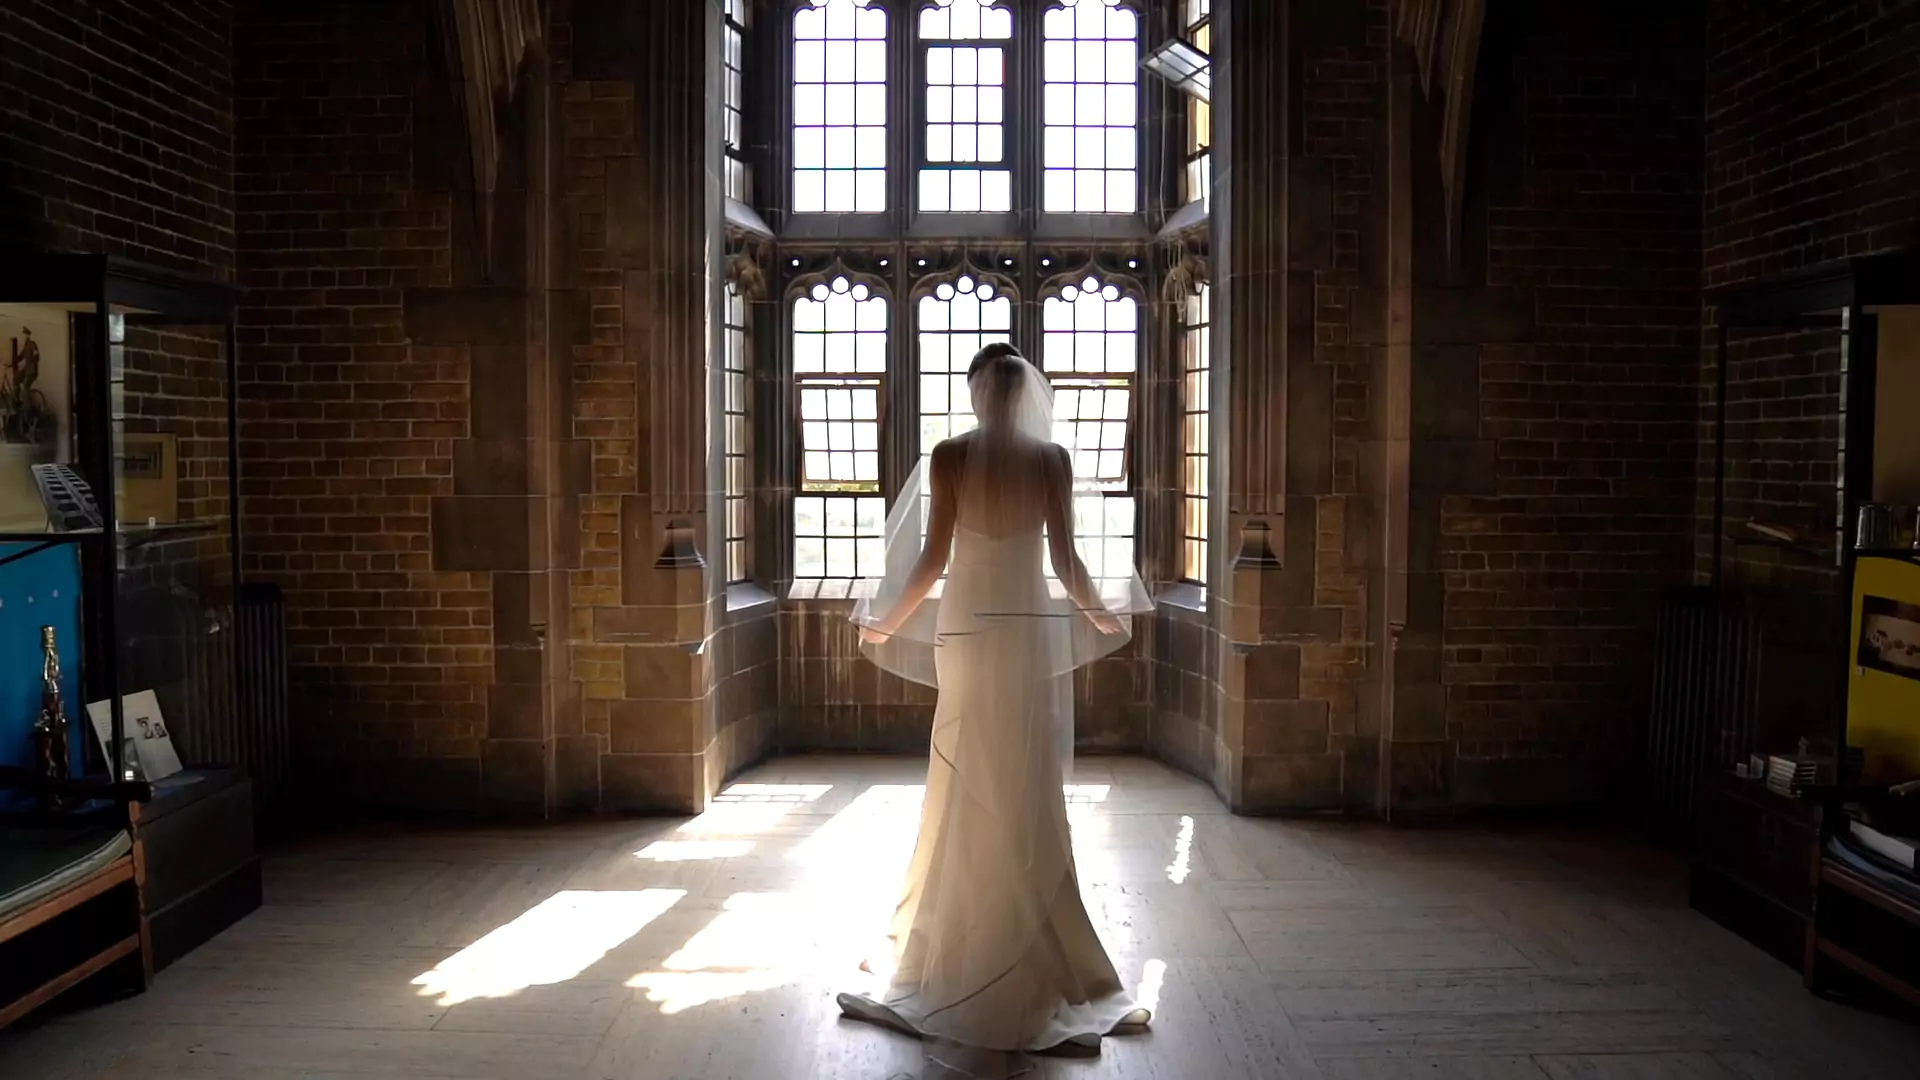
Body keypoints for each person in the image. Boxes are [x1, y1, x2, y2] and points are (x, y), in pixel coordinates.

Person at [838, 343, 1154, 1062]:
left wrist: (885, 621)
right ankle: (1029, 925)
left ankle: (958, 930)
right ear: (1020, 395)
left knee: (968, 770)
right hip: (1021, 629)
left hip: (970, 628)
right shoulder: (1050, 460)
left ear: (981, 393)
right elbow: (1065, 562)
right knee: (1022, 771)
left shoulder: (952, 455)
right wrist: (1101, 614)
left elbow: (933, 560)